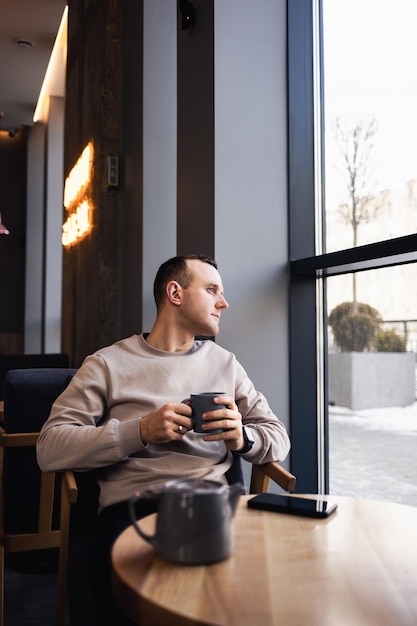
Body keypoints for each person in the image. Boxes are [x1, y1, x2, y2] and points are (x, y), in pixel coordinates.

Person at [37, 254, 290, 625]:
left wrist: (242, 436)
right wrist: (138, 432)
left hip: (215, 506)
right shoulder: (107, 364)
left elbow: (277, 437)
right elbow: (50, 447)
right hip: (136, 510)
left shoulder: (226, 363)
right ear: (175, 292)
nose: (224, 302)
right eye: (212, 290)